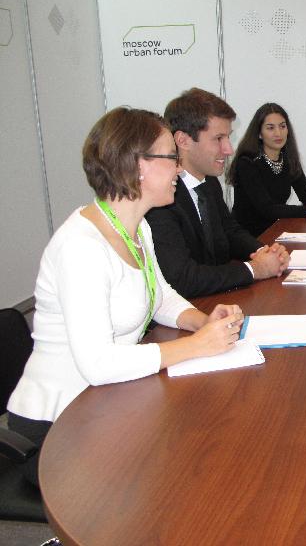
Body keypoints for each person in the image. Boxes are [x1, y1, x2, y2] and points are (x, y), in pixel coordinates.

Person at [6, 108, 245, 486]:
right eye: (172, 158)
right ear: (137, 167)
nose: (180, 169)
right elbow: (98, 363)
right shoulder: (81, 247)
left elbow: (160, 295)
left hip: (108, 403)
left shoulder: (137, 228)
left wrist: (203, 322)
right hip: (58, 426)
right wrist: (198, 346)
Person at [146, 88, 289, 299]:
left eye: (228, 138)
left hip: (217, 300)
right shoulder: (162, 197)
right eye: (218, 138)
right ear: (183, 141)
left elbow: (229, 231)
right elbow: (182, 278)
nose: (229, 149)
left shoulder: (209, 180)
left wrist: (264, 252)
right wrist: (254, 269)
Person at [227, 102, 306, 236]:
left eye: (282, 126)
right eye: (270, 128)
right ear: (259, 133)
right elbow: (268, 209)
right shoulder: (247, 162)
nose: (278, 133)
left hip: (278, 230)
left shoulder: (287, 157)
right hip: (249, 237)